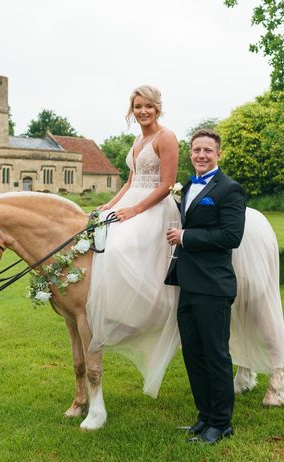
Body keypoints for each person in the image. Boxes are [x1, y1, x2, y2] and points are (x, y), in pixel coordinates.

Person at [86, 85, 182, 398]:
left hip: (154, 207)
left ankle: (139, 310)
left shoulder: (166, 137)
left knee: (118, 249)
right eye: (138, 106)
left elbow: (167, 185)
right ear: (132, 109)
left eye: (148, 107)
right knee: (100, 239)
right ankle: (109, 308)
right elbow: (130, 181)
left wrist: (135, 210)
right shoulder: (137, 139)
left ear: (158, 109)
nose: (143, 111)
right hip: (131, 201)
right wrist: (111, 206)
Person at [165, 128, 246, 444]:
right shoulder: (186, 186)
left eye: (207, 150)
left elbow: (231, 237)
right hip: (187, 284)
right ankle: (204, 417)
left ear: (218, 154)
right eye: (196, 149)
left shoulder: (229, 190)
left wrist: (185, 237)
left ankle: (222, 423)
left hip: (214, 286)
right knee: (193, 355)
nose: (201, 155)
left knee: (216, 355)